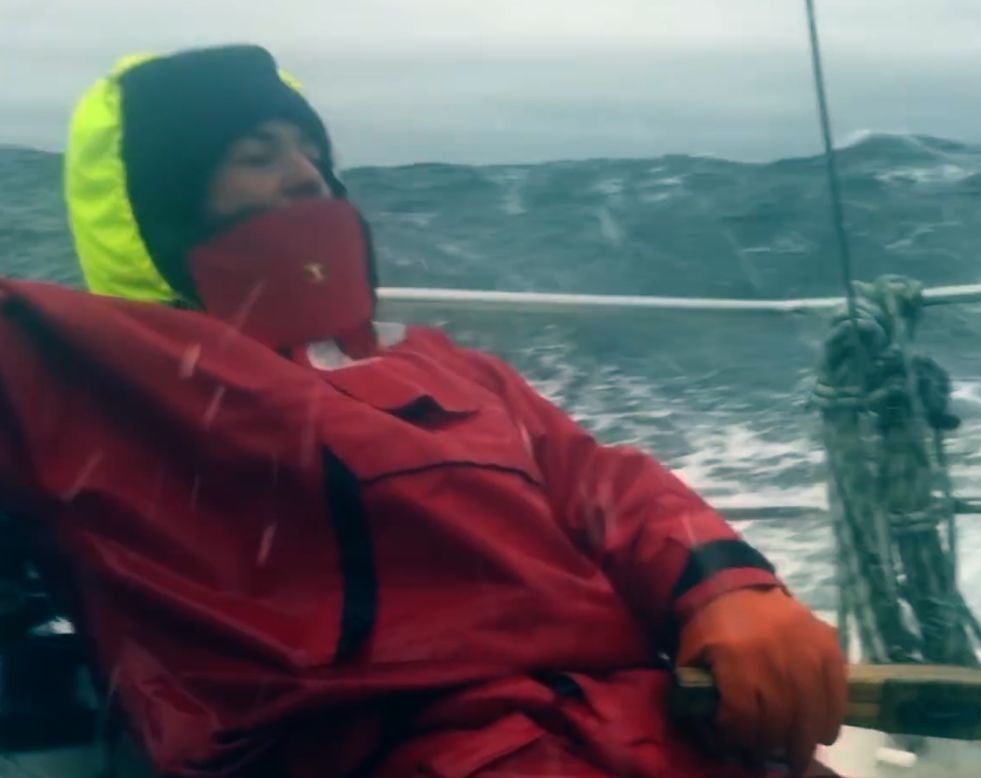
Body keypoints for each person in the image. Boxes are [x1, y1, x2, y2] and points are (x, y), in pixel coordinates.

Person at [0, 45, 846, 777]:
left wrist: (726, 589)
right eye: (258, 155)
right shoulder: (95, 375)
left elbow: (600, 481)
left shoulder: (436, 362)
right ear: (163, 199)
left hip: (658, 729)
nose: (307, 175)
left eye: (312, 151)